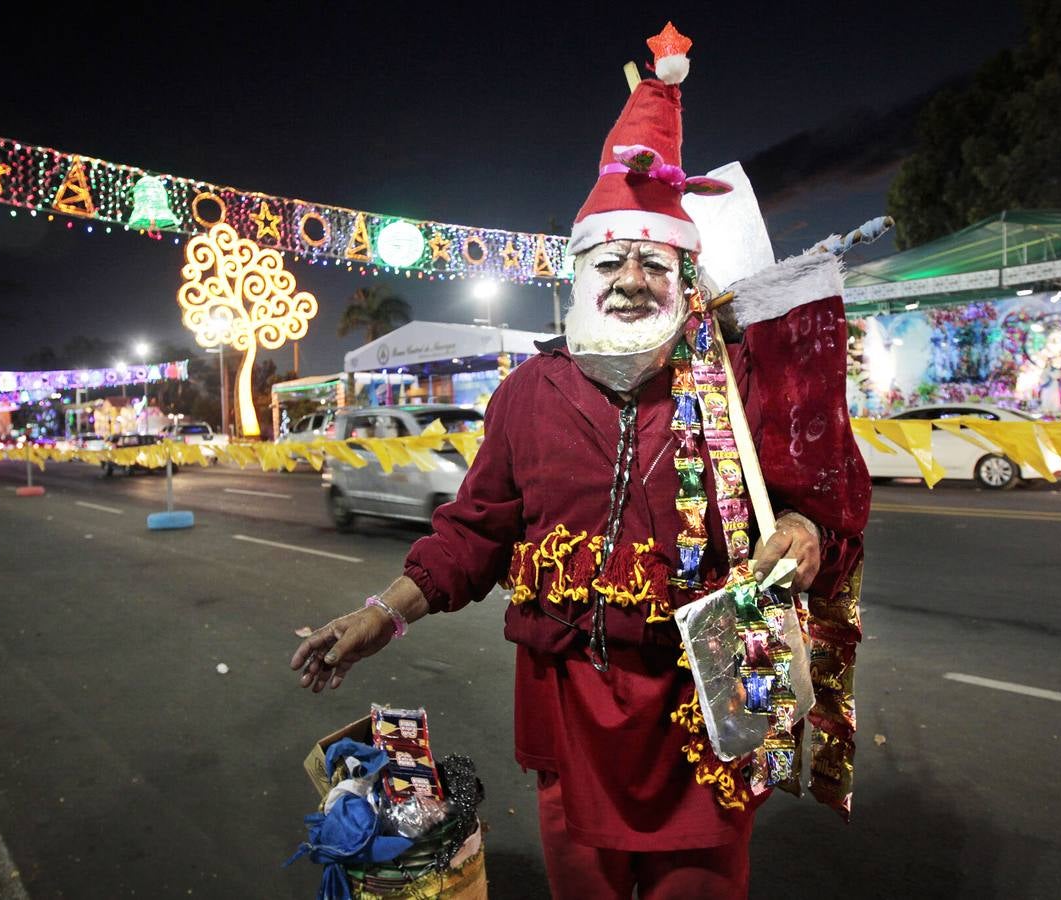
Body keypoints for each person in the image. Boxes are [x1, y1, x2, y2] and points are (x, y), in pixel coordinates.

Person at [292, 23, 870, 899]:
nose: (632, 279)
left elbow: (818, 504)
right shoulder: (527, 396)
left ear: (684, 276)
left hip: (704, 725)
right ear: (577, 271)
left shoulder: (734, 378)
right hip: (568, 722)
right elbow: (472, 532)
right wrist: (383, 613)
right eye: (612, 258)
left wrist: (800, 529)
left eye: (653, 260)